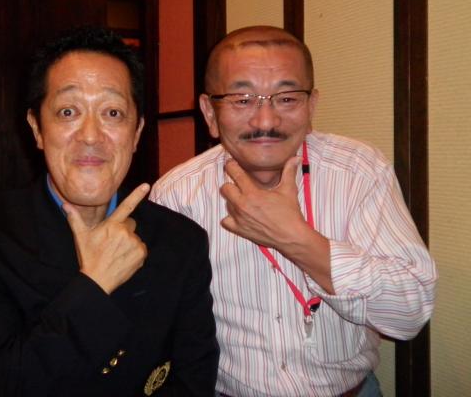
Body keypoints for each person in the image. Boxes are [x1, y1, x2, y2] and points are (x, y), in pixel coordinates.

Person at [0, 26, 219, 396]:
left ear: (137, 133)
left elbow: (192, 383)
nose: (91, 135)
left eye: (113, 112)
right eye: (68, 112)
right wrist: (95, 285)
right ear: (37, 129)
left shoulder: (181, 241)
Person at [150, 25, 437, 397]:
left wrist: (297, 240)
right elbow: (162, 330)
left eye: (286, 98)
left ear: (311, 106)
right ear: (209, 112)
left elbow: (409, 315)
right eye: (242, 100)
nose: (266, 121)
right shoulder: (177, 195)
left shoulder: (359, 171)